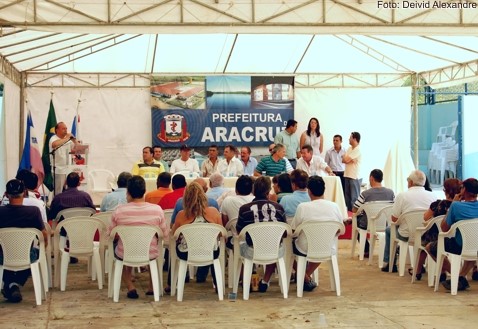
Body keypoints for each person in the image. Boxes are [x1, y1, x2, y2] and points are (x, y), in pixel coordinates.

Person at [107, 175, 170, 299]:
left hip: (125, 252)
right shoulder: (157, 210)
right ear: (144, 191)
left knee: (120, 248)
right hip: (150, 252)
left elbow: (110, 234)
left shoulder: (119, 211)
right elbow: (164, 233)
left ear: (128, 192)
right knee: (152, 248)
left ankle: (131, 287)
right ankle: (152, 287)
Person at [166, 182, 223, 292]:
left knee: (175, 249)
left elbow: (174, 235)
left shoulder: (181, 215)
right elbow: (221, 233)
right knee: (213, 247)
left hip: (186, 254)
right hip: (210, 252)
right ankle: (217, 285)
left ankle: (171, 284)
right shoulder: (214, 212)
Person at [290, 176, 343, 292]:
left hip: (305, 247)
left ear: (309, 191)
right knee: (322, 242)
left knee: (287, 247)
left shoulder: (303, 207)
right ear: (324, 189)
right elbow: (339, 229)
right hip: (327, 246)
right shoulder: (334, 206)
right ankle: (306, 277)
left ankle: (304, 276)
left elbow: (293, 230)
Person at [236, 176, 287, 293]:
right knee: (275, 243)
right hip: (273, 249)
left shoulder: (244, 209)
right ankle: (265, 280)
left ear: (253, 191)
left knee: (240, 245)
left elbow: (240, 232)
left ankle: (246, 279)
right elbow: (284, 233)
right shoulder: (279, 208)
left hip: (252, 250)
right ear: (268, 192)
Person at [0, 179, 48, 303]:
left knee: (4, 257)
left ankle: (10, 284)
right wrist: (45, 246)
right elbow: (43, 234)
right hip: (27, 254)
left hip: (3, 255)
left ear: (6, 194)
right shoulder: (33, 212)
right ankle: (14, 284)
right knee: (36, 254)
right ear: (25, 193)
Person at [381, 170, 436, 272]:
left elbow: (394, 219)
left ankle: (390, 263)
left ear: (410, 182)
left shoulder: (402, 196)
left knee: (389, 230)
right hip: (426, 234)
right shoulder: (433, 196)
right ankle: (421, 264)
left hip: (406, 234)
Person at [429, 178, 478, 291]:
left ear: (464, 190)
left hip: (460, 245)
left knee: (430, 247)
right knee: (471, 246)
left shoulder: (456, 206)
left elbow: (444, 228)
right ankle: (461, 277)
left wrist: (453, 205)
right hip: (475, 245)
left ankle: (456, 276)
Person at [411, 178, 461, 281]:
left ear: (444, 190)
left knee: (424, 245)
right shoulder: (461, 206)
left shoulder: (438, 204)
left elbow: (425, 217)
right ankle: (442, 271)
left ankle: (418, 271)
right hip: (455, 235)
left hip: (436, 235)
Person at [352, 169, 395, 256]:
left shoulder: (365, 194)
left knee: (357, 221)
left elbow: (354, 209)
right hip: (386, 224)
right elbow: (394, 207)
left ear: (371, 178)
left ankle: (366, 249)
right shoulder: (390, 193)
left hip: (368, 224)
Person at [49, 122, 77, 196]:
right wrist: (67, 138)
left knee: (68, 190)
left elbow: (76, 149)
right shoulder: (54, 138)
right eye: (63, 128)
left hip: (67, 169)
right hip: (58, 169)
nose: (65, 130)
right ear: (57, 130)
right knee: (58, 191)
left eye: (66, 128)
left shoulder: (67, 140)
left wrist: (74, 140)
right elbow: (54, 145)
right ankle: (56, 205)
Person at [342, 131, 362, 211]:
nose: (348, 139)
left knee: (354, 198)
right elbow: (344, 160)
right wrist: (349, 159)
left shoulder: (358, 149)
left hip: (354, 176)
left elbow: (346, 159)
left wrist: (347, 159)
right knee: (347, 198)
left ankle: (355, 218)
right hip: (347, 174)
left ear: (354, 139)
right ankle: (349, 217)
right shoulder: (349, 148)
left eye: (350, 138)